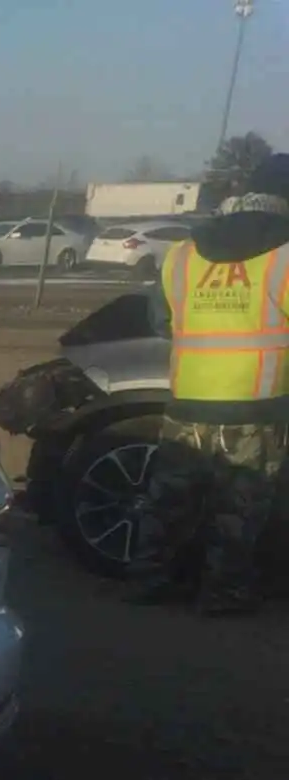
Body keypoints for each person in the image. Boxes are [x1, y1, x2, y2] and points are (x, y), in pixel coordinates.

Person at [130, 153, 289, 614]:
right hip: (257, 406)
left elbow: (161, 321)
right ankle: (222, 593)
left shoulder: (183, 253)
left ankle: (151, 580)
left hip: (187, 403)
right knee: (238, 509)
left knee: (170, 501)